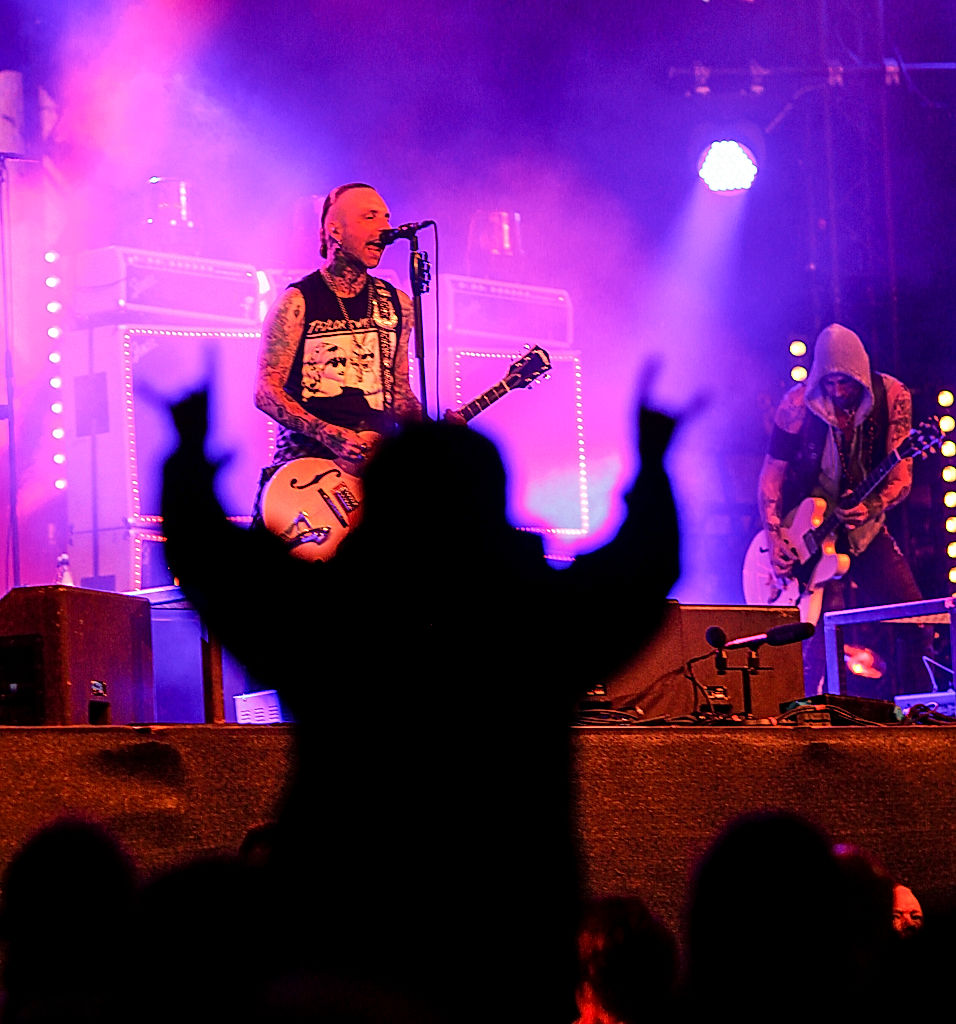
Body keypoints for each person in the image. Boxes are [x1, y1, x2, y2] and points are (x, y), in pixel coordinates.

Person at [160, 360, 683, 1023]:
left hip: (342, 949)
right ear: (492, 505)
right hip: (505, 957)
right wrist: (655, 464)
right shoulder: (536, 630)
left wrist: (187, 457)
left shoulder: (331, 626)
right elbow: (642, 571)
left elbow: (215, 566)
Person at [755, 323, 923, 695]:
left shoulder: (893, 396)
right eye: (829, 384)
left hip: (866, 530)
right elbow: (771, 476)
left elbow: (902, 478)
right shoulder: (797, 405)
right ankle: (809, 716)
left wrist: (872, 505)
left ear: (861, 376)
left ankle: (913, 711)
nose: (838, 391)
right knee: (815, 641)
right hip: (809, 535)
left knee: (915, 620)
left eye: (846, 383)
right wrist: (774, 533)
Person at [252, 182, 422, 526]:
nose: (384, 227)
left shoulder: (399, 306)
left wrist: (434, 432)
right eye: (370, 217)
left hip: (372, 475)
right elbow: (266, 392)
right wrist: (330, 433)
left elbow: (400, 394)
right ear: (335, 230)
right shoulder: (297, 302)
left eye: (387, 217)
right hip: (305, 474)